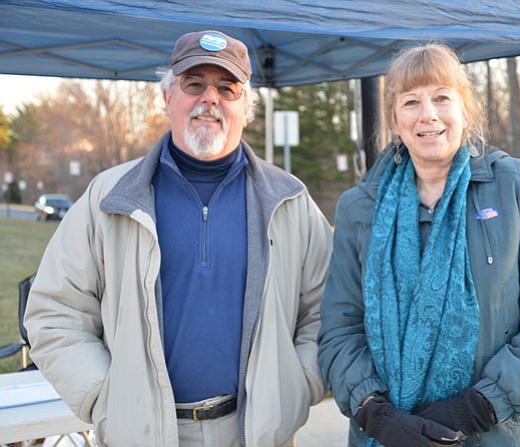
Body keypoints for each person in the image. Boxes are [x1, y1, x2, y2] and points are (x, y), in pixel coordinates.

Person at [24, 29, 333, 447]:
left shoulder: (289, 201)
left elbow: (329, 313)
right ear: (168, 98)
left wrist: (295, 386)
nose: (210, 98)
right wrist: (105, 395)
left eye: (227, 88)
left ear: (247, 107)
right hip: (144, 434)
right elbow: (55, 311)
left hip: (257, 434)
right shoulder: (109, 197)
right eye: (194, 84)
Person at [317, 43, 520, 447]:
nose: (428, 114)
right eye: (411, 102)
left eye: (442, 97)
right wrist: (376, 412)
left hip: (498, 434)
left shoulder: (514, 187)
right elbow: (340, 332)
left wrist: (477, 407)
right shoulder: (360, 209)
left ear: (465, 110)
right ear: (394, 118)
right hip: (388, 437)